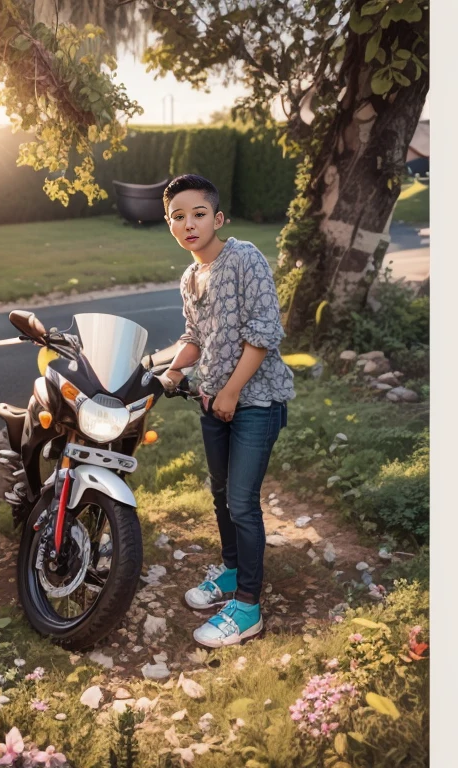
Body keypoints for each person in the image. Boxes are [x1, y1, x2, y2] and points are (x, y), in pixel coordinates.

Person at [158, 174, 295, 648]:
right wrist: (174, 373)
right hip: (211, 401)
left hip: (255, 401)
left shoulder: (245, 259)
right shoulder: (189, 277)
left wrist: (233, 390)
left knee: (242, 503)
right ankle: (234, 572)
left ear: (218, 219)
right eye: (178, 216)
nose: (189, 223)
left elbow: (265, 331)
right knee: (220, 496)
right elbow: (194, 337)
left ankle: (249, 607)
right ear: (170, 225)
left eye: (198, 214)